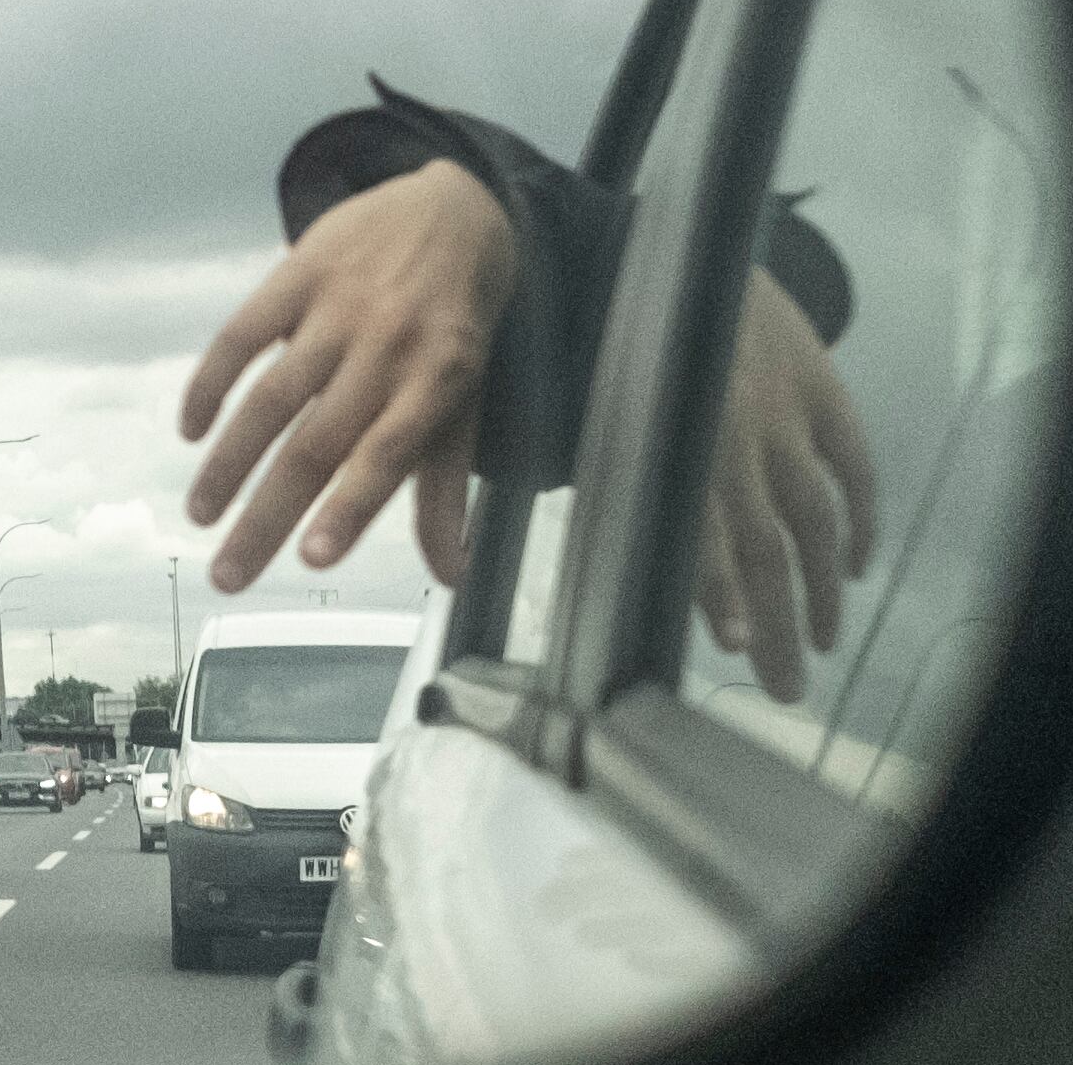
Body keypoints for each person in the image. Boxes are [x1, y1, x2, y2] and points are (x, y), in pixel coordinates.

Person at [179, 79, 876, 705]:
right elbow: (588, 302)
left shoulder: (780, 299)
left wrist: (713, 273)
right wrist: (472, 209)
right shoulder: (708, 309)